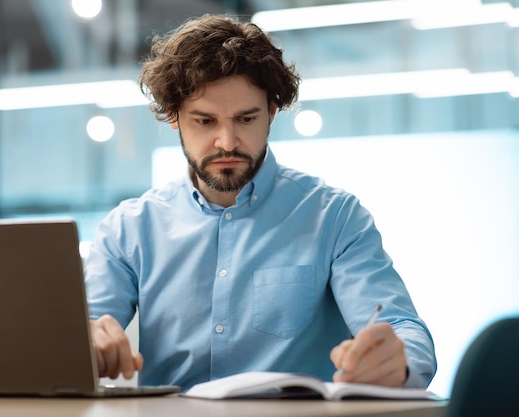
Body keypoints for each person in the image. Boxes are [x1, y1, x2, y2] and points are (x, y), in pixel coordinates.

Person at [84, 14, 437, 392]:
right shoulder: (129, 229)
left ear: (271, 112)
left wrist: (395, 360)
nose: (227, 142)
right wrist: (87, 341)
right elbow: (78, 330)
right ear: (173, 116)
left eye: (246, 118)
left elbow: (405, 332)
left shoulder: (334, 218)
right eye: (205, 121)